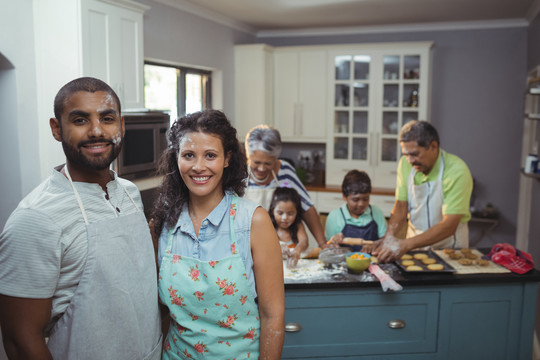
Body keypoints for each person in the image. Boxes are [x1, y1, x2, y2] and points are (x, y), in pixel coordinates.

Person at [0, 77, 162, 359]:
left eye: (107, 118)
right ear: (56, 129)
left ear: (121, 125)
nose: (97, 131)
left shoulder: (130, 194)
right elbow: (20, 340)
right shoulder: (35, 219)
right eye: (80, 120)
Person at [151, 110, 284, 359]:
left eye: (210, 155)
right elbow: (161, 314)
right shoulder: (164, 225)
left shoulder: (253, 221)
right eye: (188, 155)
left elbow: (272, 316)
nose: (198, 166)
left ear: (226, 159)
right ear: (176, 158)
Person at [368, 120, 473, 263]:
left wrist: (405, 244)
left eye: (415, 154)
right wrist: (389, 238)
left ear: (433, 146)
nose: (410, 160)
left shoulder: (456, 171)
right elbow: (400, 207)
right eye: (405, 154)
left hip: (448, 250)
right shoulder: (405, 164)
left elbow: (449, 225)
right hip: (412, 249)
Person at [244, 125, 327, 249]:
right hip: (246, 244)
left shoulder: (285, 170)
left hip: (278, 246)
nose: (261, 169)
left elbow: (307, 209)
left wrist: (323, 244)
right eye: (256, 162)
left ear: (276, 157)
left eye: (268, 163)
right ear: (248, 155)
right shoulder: (239, 172)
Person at [325, 170, 387, 252]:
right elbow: (328, 246)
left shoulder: (376, 213)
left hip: (372, 261)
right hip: (344, 262)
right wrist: (334, 243)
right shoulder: (335, 216)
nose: (361, 204)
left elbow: (385, 241)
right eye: (355, 200)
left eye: (365, 199)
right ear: (344, 196)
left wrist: (375, 245)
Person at [268, 187, 309, 267]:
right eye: (280, 213)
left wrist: (298, 249)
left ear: (297, 212)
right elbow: (264, 245)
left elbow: (304, 241)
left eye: (290, 214)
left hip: (293, 268)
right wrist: (277, 247)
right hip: (273, 267)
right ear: (273, 210)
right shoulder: (269, 225)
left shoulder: (298, 225)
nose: (285, 218)